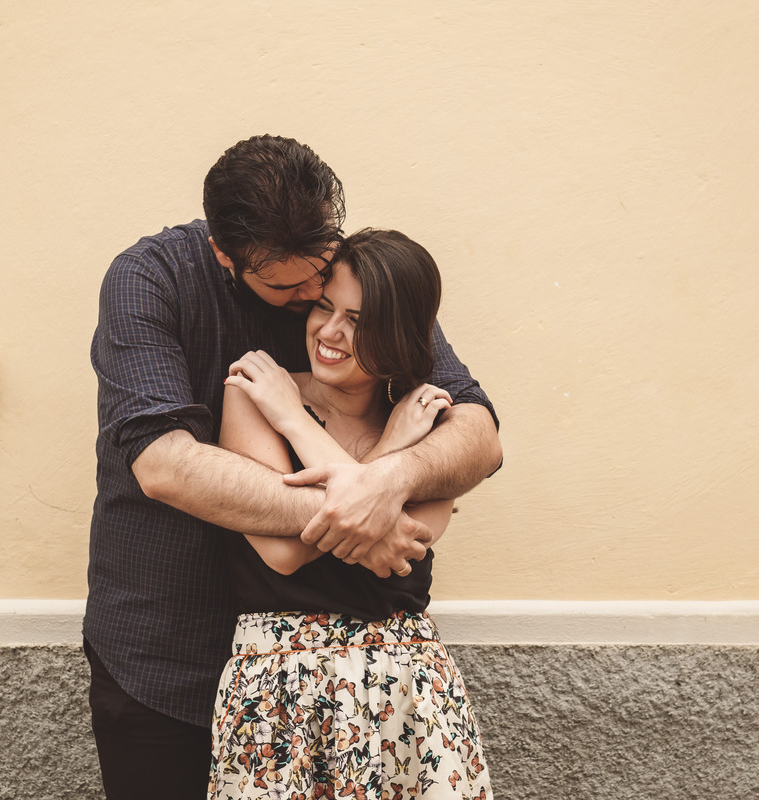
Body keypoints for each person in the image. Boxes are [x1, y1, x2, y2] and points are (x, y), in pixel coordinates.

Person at [86, 136, 501, 800]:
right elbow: (165, 464)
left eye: (323, 268)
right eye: (294, 287)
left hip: (372, 685)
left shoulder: (352, 281)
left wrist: (387, 481)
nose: (316, 295)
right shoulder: (150, 280)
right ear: (226, 256)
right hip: (166, 656)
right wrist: (373, 521)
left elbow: (477, 433)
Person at [209, 228, 491, 799]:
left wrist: (309, 430)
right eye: (323, 306)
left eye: (358, 321)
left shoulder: (427, 421)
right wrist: (303, 421)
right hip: (279, 692)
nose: (330, 332)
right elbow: (282, 553)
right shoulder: (258, 391)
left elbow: (406, 543)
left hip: (407, 691)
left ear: (399, 335)